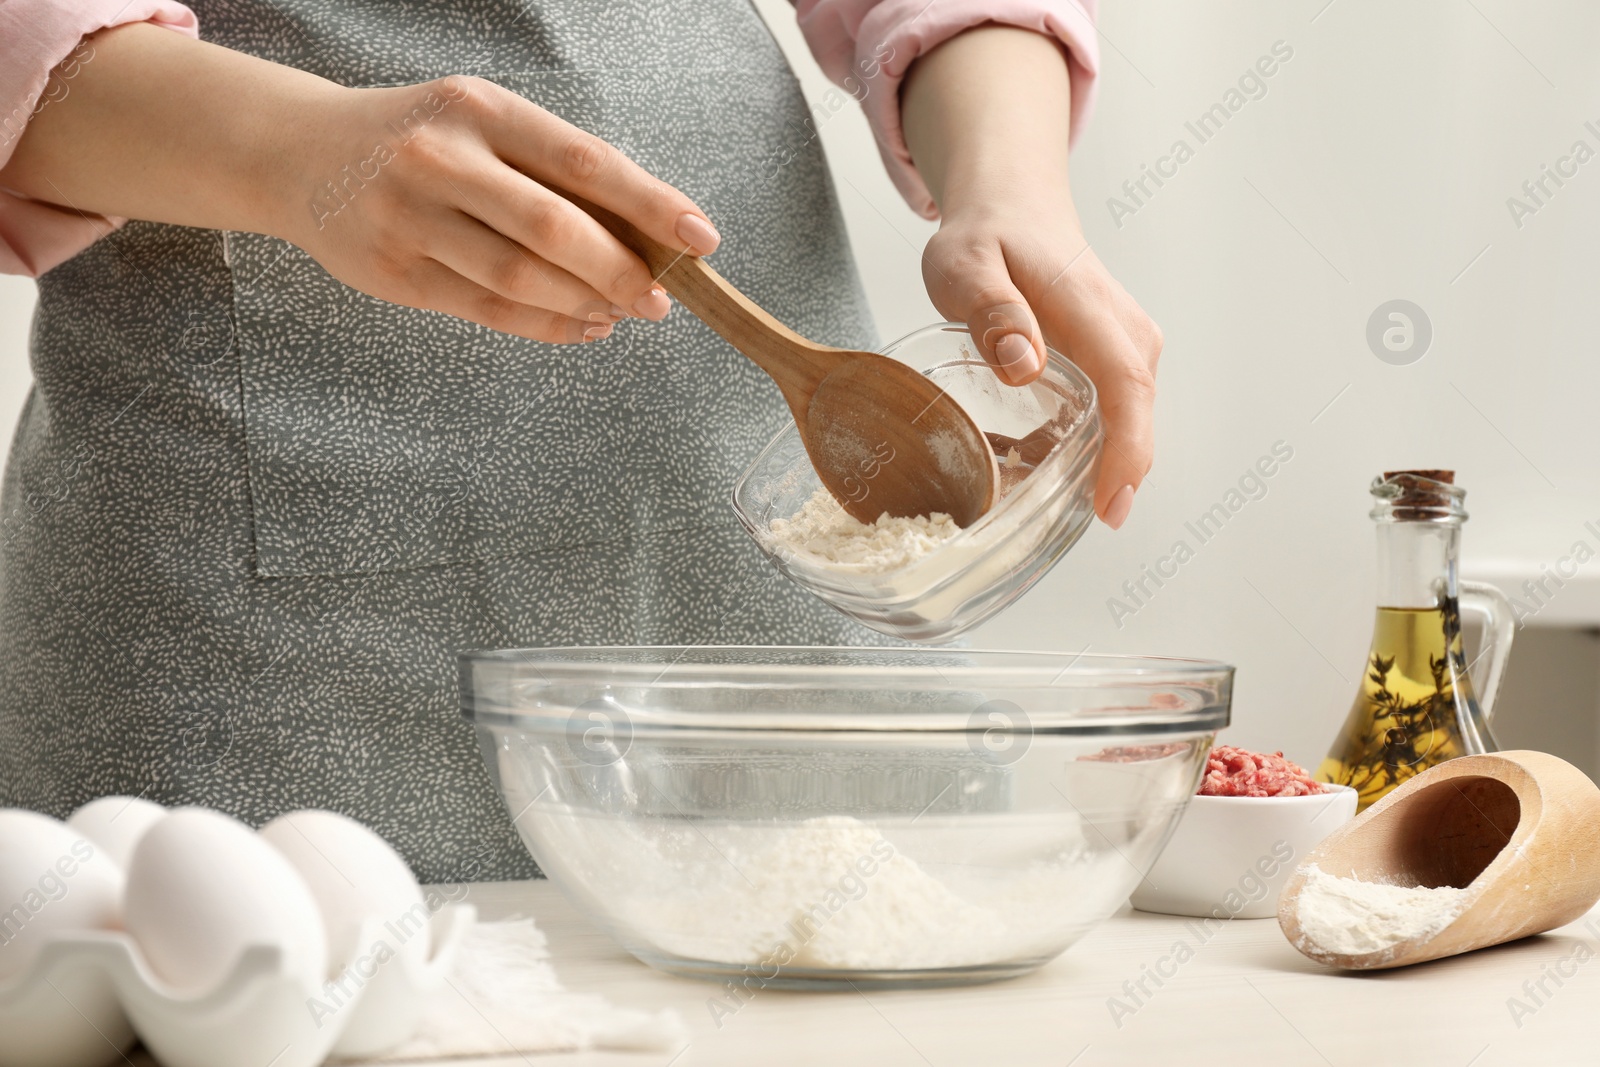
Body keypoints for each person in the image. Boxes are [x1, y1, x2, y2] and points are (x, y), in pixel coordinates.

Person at [0, 0, 1162, 880]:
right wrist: (297, 153)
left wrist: (1009, 192)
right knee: (289, 972)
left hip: (762, 528)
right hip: (278, 613)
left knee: (855, 942)